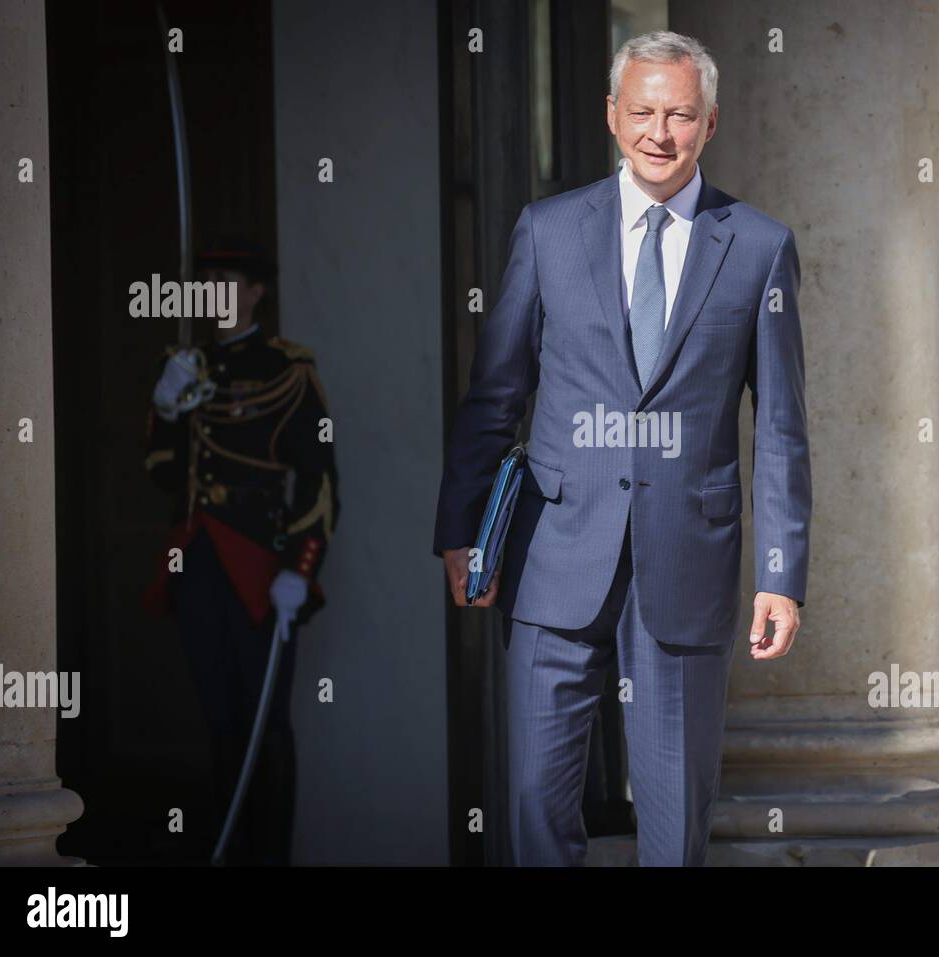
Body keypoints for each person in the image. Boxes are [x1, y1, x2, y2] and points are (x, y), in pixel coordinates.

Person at [433, 31, 810, 866]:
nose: (658, 132)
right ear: (611, 115)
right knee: (534, 799)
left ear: (710, 122)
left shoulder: (757, 246)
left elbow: (781, 427)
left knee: (674, 819)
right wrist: (459, 528)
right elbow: (495, 393)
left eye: (680, 114)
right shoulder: (549, 230)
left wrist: (780, 575)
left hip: (687, 558)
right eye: (641, 111)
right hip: (552, 551)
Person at [143, 237, 339, 865]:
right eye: (207, 283)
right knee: (221, 726)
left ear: (256, 292)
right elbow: (164, 475)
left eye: (230, 280)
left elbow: (320, 481)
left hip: (261, 563)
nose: (217, 294)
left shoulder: (288, 369)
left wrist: (300, 570)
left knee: (266, 728)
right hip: (198, 561)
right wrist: (167, 408)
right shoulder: (188, 365)